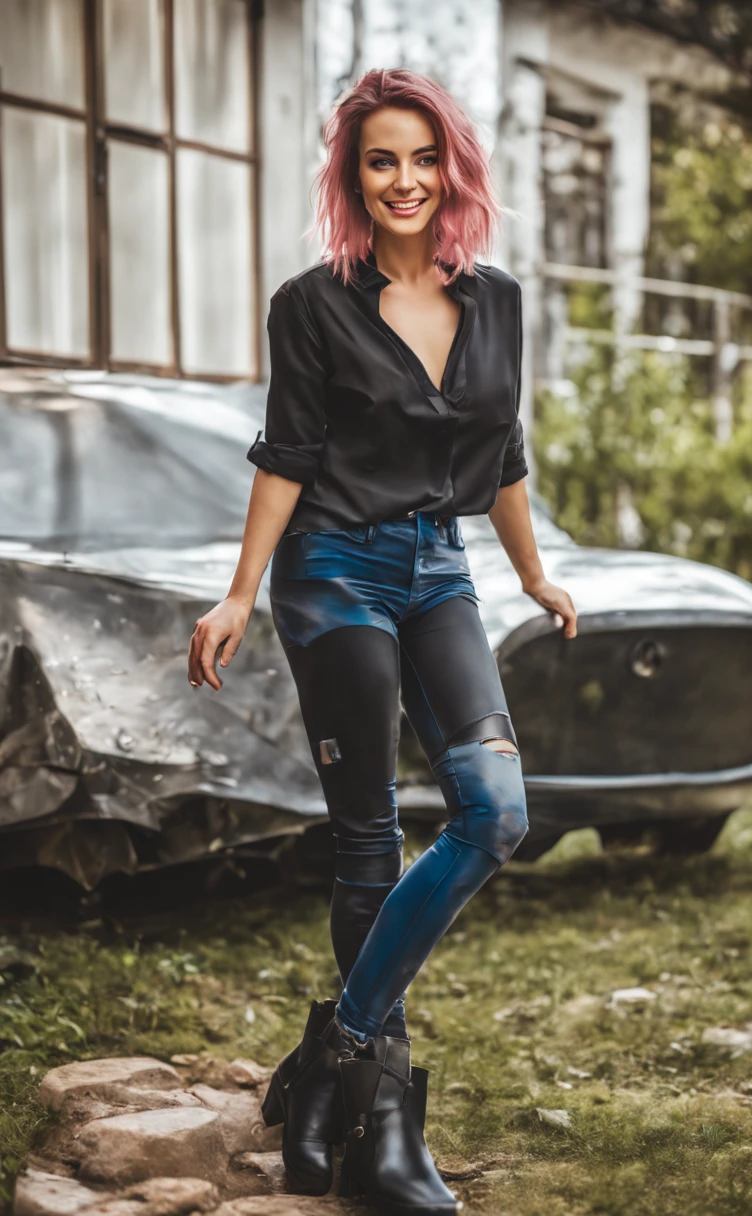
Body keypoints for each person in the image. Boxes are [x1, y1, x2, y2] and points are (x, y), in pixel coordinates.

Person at [187, 67, 577, 1215]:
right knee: (365, 841)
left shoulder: (493, 300)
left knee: (494, 812)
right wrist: (238, 591)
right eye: (377, 160)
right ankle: (390, 1126)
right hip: (334, 571)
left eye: (420, 158)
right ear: (353, 178)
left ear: (450, 167)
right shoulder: (312, 305)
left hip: (439, 570)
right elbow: (287, 456)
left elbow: (499, 457)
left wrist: (534, 571)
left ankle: (331, 1058)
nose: (402, 180)